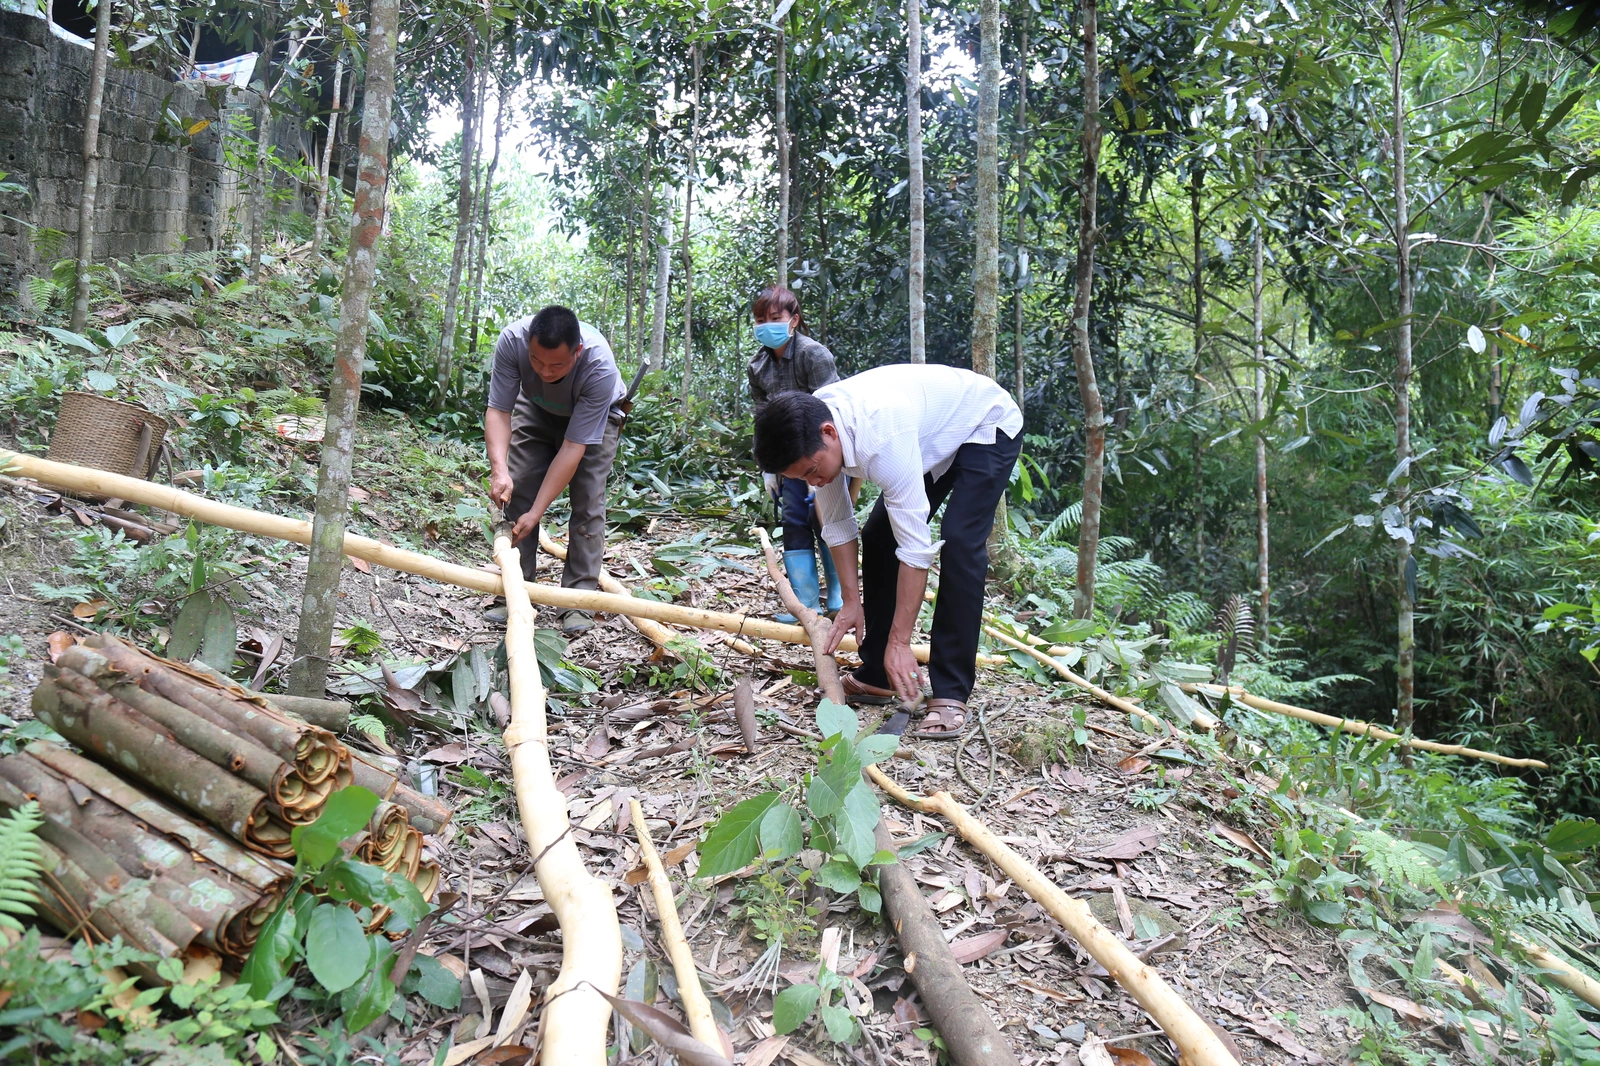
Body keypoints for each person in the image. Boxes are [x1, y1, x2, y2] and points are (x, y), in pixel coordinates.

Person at [752, 364, 1023, 737]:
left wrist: (902, 640)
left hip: (984, 422)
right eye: (803, 478)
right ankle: (879, 673)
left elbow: (916, 550)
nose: (813, 483)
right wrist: (850, 601)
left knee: (960, 540)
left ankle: (950, 691)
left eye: (814, 471)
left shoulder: (880, 438)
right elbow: (837, 524)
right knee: (879, 536)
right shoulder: (816, 432)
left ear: (829, 434)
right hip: (930, 434)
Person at [484, 305, 626, 636]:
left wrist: (538, 511)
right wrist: (499, 471)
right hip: (535, 406)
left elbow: (573, 448)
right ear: (528, 346)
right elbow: (499, 410)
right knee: (516, 487)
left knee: (588, 500)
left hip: (597, 415)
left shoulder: (598, 366)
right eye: (537, 362)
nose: (546, 371)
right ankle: (514, 588)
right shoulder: (512, 340)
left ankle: (577, 600)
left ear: (576, 351)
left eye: (557, 364)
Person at [747, 284, 845, 622]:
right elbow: (762, 416)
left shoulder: (812, 355)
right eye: (760, 319)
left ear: (793, 320)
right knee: (793, 521)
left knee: (827, 520)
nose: (766, 325)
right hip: (787, 462)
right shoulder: (758, 365)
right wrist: (767, 466)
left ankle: (839, 597)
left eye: (774, 318)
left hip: (819, 455)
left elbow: (833, 407)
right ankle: (806, 604)